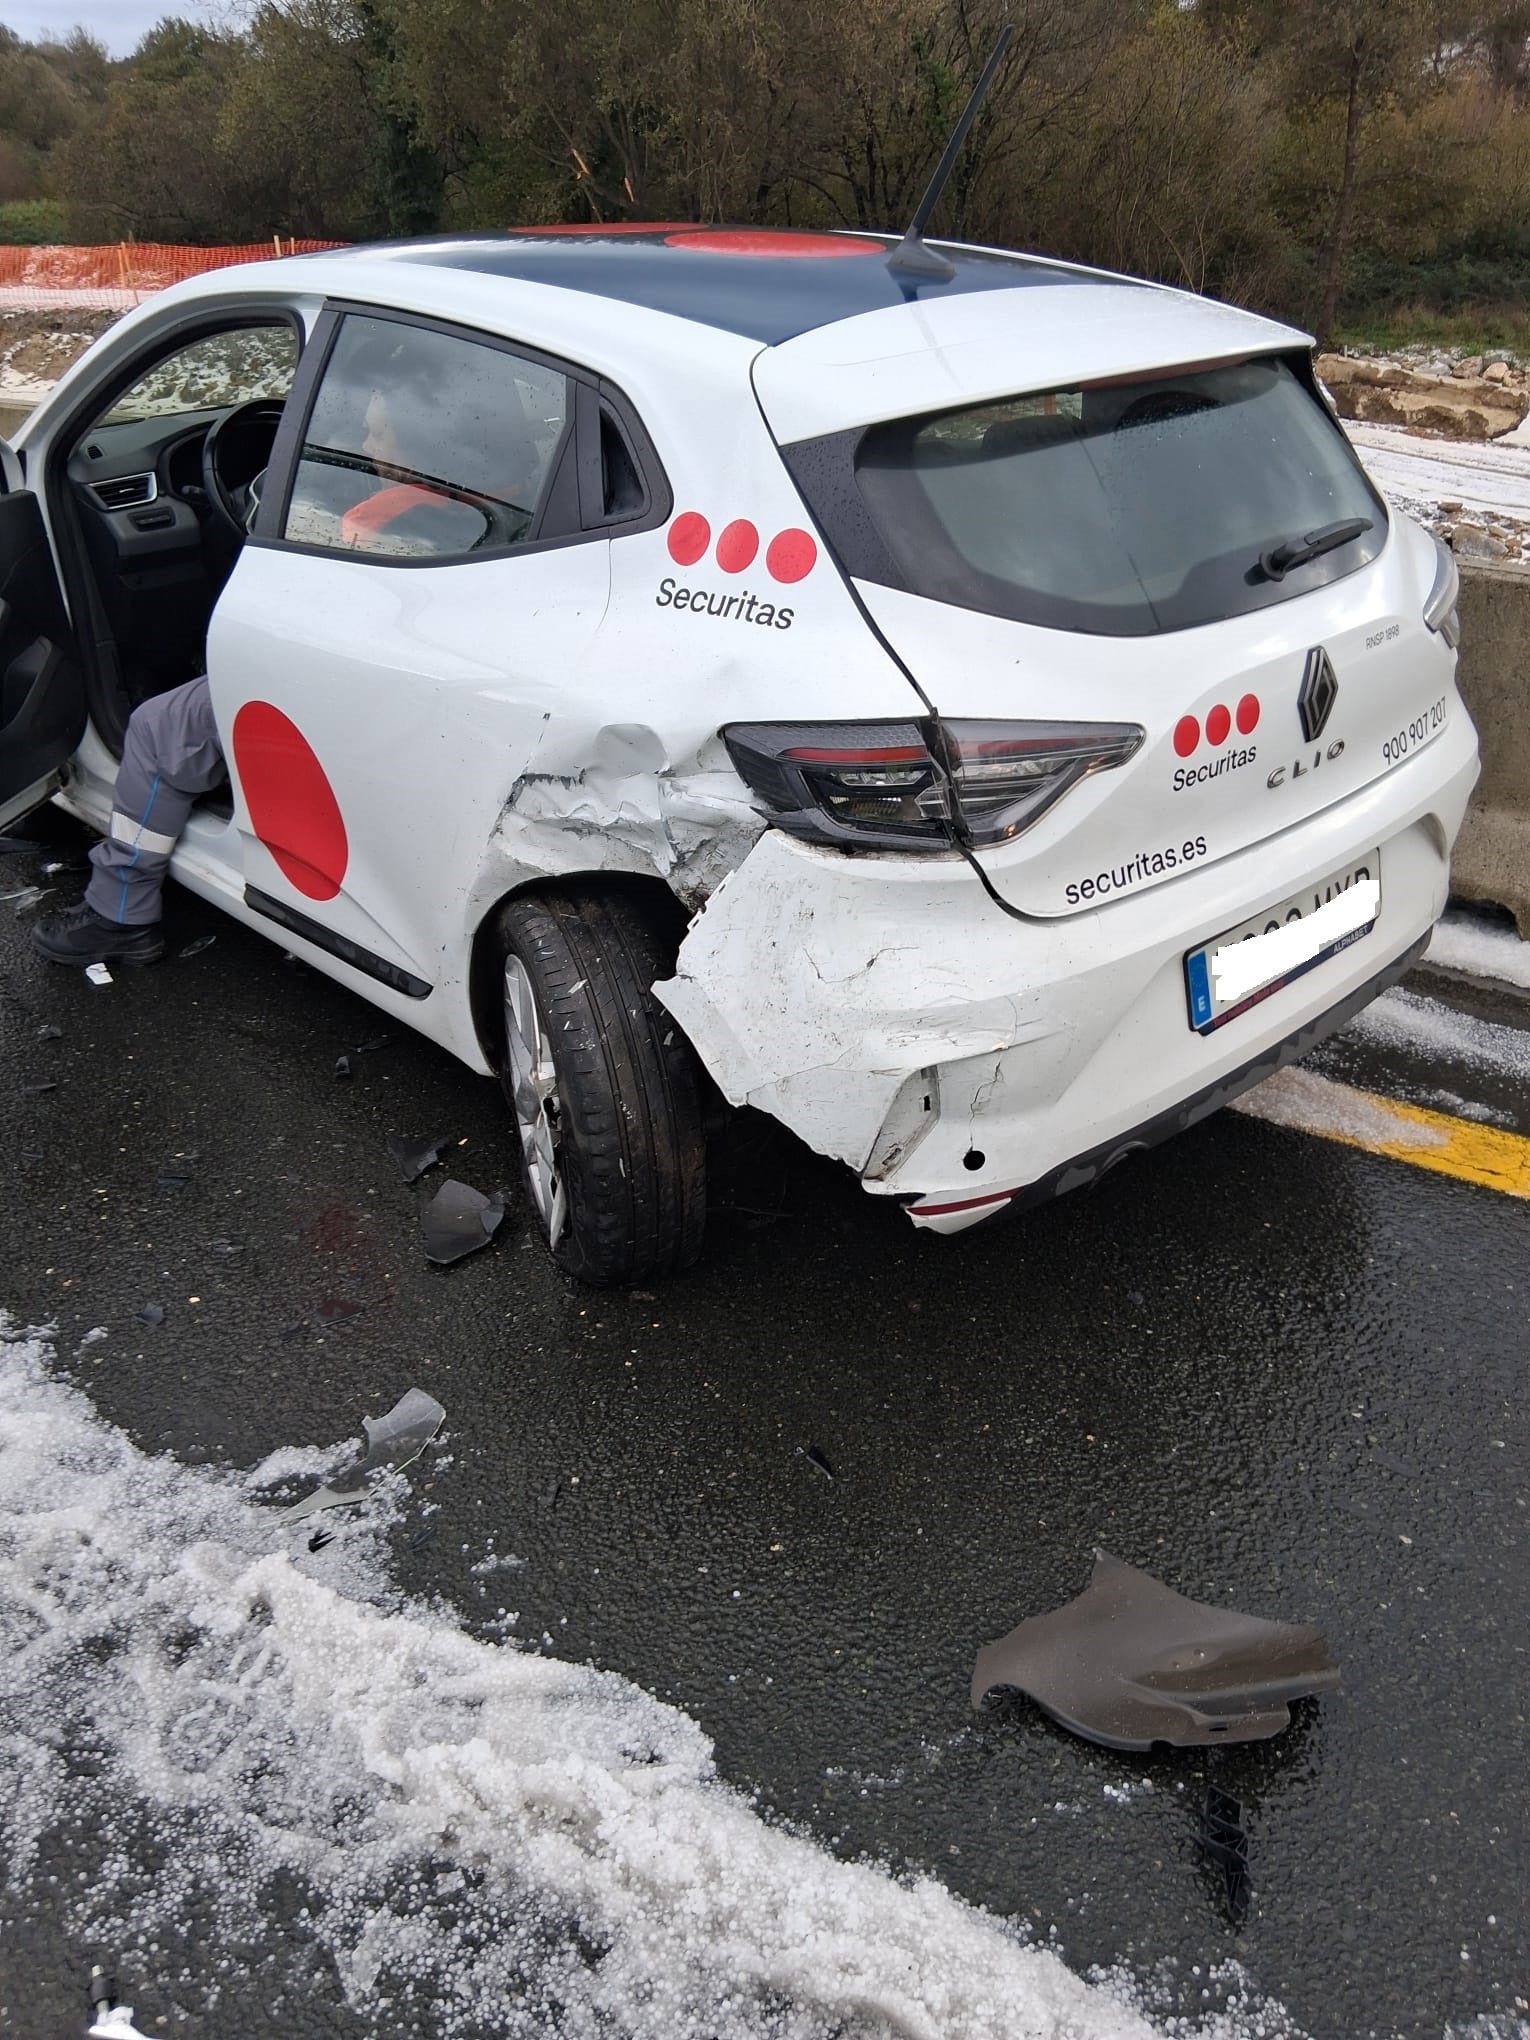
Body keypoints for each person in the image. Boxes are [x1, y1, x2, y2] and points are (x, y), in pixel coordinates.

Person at [31, 384, 494, 968]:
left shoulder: (371, 519)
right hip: (432, 690)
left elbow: (292, 611)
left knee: (156, 728)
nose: (362, 445)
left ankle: (119, 912)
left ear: (419, 445)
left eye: (377, 433)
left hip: (341, 691)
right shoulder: (500, 491)